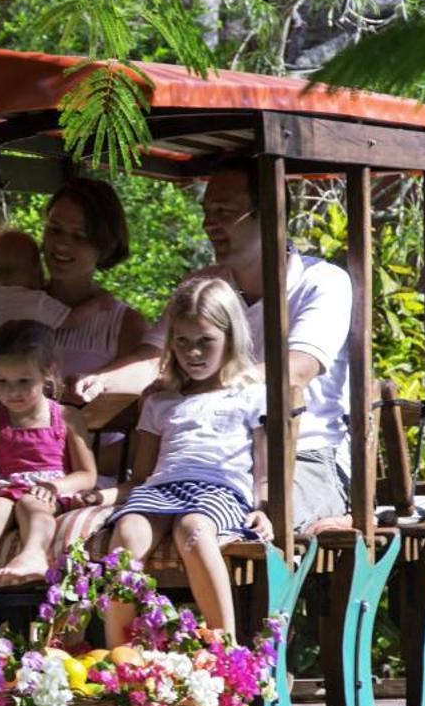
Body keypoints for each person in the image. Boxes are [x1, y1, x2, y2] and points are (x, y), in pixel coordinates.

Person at [72, 162, 352, 530]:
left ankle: (333, 520)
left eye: (224, 212)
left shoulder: (323, 282)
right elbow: (155, 357)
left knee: (241, 521)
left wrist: (209, 391)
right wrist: (100, 381)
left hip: (302, 456)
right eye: (206, 212)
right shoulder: (203, 283)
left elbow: (297, 369)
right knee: (143, 521)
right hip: (207, 458)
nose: (209, 224)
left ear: (270, 215)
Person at [101, 274, 271, 646]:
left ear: (230, 338)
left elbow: (263, 466)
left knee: (193, 530)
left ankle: (225, 647)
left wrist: (263, 506)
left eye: (205, 342)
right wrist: (104, 497)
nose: (193, 353)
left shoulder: (250, 395)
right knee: (128, 533)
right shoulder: (162, 402)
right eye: (182, 342)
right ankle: (120, 655)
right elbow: (142, 476)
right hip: (161, 489)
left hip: (219, 490)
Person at [0, 321, 99, 598]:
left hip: (50, 494)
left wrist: (55, 487)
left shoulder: (66, 418)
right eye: (2, 382)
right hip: (6, 492)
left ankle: (34, 554)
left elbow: (88, 475)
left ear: (47, 373)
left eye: (24, 381)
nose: (12, 391)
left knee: (31, 503)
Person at [39, 180, 157, 401]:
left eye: (79, 236)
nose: (61, 244)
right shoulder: (16, 305)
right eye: (55, 230)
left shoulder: (126, 325)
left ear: (106, 245)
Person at [0, 225, 72, 401]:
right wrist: (96, 304)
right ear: (36, 269)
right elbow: (71, 320)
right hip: (8, 369)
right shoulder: (37, 300)